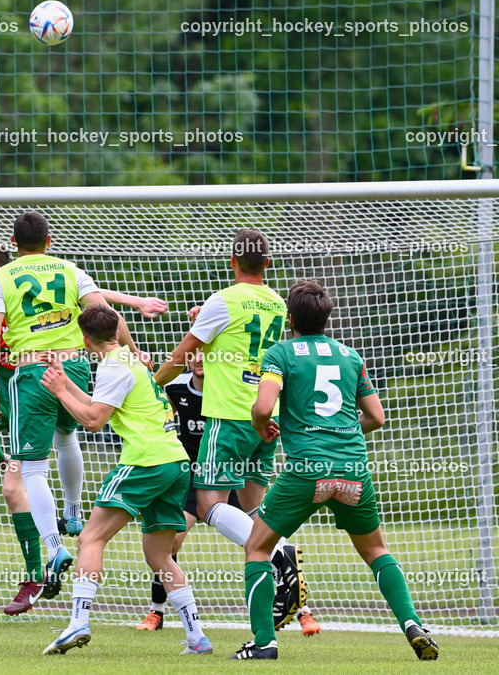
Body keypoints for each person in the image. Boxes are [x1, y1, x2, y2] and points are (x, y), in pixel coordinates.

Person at [0, 242, 166, 615]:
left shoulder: (3, 281)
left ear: (3, 259)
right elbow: (100, 305)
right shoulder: (60, 271)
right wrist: (134, 344)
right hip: (66, 369)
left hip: (24, 381)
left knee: (23, 478)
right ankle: (69, 509)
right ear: (47, 243)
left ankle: (46, 559)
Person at [235, 280, 438, 661]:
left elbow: (263, 408)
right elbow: (376, 417)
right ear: (327, 317)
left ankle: (264, 643)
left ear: (290, 318)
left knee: (257, 548)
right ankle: (412, 623)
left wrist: (262, 425)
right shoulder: (350, 356)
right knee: (377, 549)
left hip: (307, 471)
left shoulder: (280, 354)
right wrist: (340, 432)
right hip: (353, 471)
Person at [0, 212, 145, 603]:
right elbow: (110, 313)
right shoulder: (71, 270)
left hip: (32, 369)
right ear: (49, 240)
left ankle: (55, 548)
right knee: (67, 436)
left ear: (13, 242)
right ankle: (73, 511)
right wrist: (133, 353)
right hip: (72, 363)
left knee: (31, 468)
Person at [151, 229, 305, 620]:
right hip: (266, 415)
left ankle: (280, 552)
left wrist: (150, 386)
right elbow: (240, 336)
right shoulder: (277, 303)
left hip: (231, 414)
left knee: (208, 504)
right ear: (267, 264)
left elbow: (182, 356)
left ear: (232, 262)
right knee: (256, 512)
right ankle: (278, 584)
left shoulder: (223, 299)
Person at [41, 305, 211, 655]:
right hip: (175, 462)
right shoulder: (129, 361)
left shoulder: (114, 367)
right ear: (117, 333)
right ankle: (196, 637)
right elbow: (97, 403)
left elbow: (93, 421)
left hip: (146, 462)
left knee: (91, 537)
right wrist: (64, 380)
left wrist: (58, 392)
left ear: (85, 339)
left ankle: (78, 622)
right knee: (160, 556)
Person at [138, 353, 321, 635]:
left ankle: (303, 612)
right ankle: (156, 611)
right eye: (194, 355)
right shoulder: (175, 390)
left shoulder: (226, 391)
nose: (199, 359)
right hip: (192, 479)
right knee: (169, 544)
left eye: (205, 354)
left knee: (262, 538)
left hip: (230, 476)